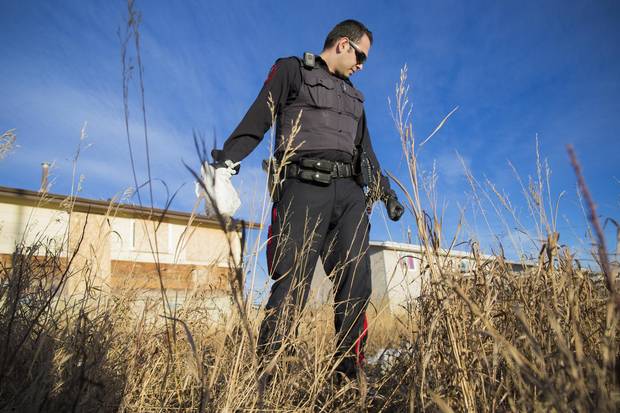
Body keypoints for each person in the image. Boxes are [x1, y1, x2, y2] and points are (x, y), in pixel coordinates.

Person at [211, 19, 404, 382]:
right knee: (293, 281)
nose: (362, 65)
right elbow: (258, 117)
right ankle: (269, 374)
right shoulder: (292, 71)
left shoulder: (355, 99)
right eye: (360, 55)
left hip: (348, 195)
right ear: (343, 44)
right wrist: (226, 161)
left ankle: (348, 375)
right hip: (303, 187)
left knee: (357, 282)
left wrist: (385, 192)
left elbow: (367, 153)